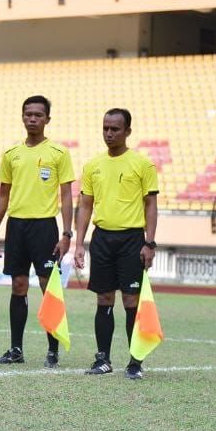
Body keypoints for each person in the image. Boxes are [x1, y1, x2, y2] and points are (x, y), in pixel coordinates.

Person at [0, 95, 75, 368]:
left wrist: (67, 233)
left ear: (47, 119)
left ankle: (52, 350)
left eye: (38, 114)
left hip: (45, 227)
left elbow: (67, 197)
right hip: (17, 226)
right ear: (22, 117)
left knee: (48, 286)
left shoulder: (58, 153)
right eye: (28, 114)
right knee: (18, 285)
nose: (33, 119)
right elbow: (3, 195)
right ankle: (16, 349)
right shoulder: (11, 154)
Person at [72, 108, 159, 380]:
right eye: (106, 128)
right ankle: (103, 358)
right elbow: (85, 206)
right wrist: (79, 243)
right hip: (102, 238)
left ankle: (135, 361)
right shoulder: (92, 166)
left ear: (128, 131)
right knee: (104, 298)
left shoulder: (143, 164)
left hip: (132, 239)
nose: (109, 133)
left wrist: (150, 243)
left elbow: (151, 205)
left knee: (131, 300)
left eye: (115, 129)